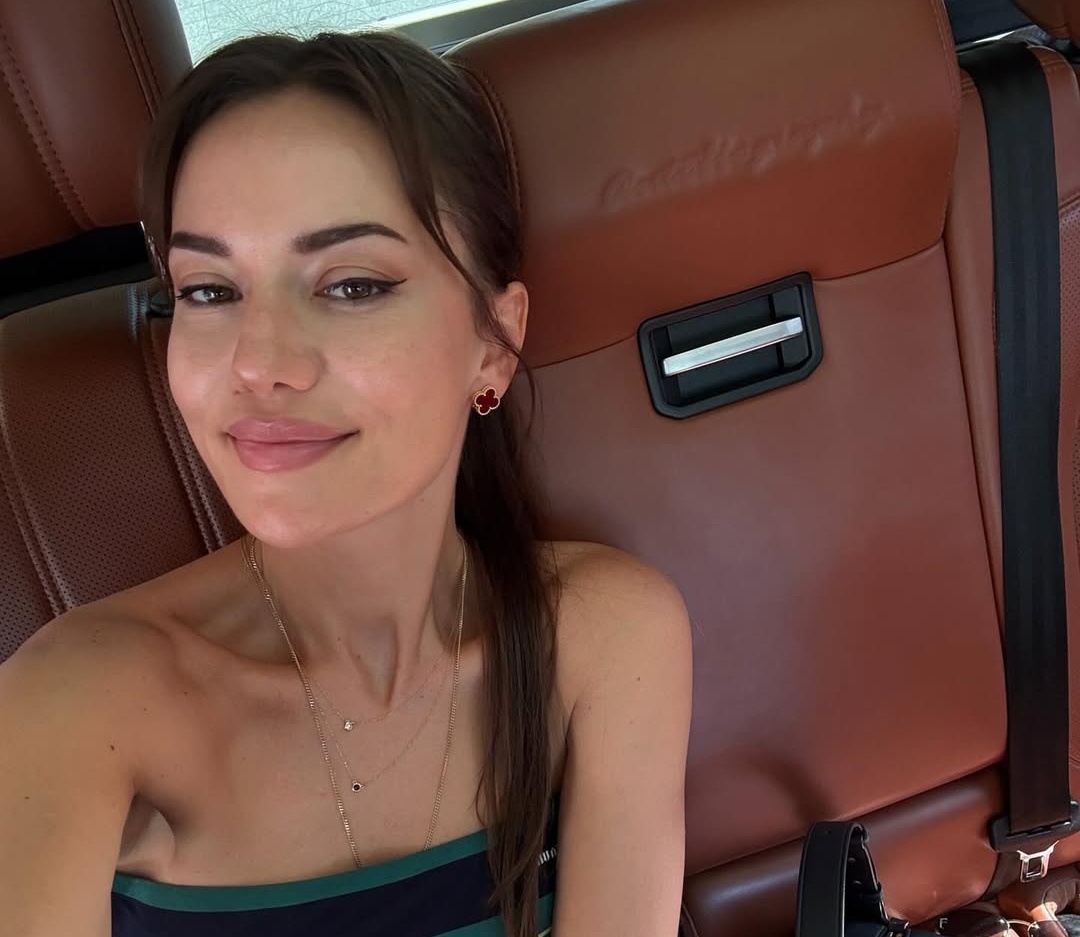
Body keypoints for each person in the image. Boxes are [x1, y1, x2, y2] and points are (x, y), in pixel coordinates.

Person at [0, 30, 692, 937]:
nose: (259, 363)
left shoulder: (607, 638)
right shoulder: (71, 710)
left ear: (494, 342)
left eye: (352, 285)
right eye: (208, 290)